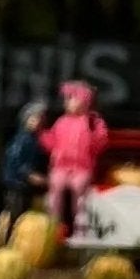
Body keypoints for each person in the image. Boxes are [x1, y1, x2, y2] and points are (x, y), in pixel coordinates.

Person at [45, 76, 112, 238]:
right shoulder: (61, 122)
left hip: (82, 167)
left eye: (71, 99)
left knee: (80, 196)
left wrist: (94, 134)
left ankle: (80, 229)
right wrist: (43, 135)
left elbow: (101, 141)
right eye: (67, 99)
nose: (67, 103)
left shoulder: (92, 121)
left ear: (84, 101)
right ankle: (53, 225)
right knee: (55, 191)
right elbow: (52, 141)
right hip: (61, 165)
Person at [0, 97, 52, 232]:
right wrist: (30, 175)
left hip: (25, 185)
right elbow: (17, 161)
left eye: (40, 119)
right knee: (16, 214)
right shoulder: (22, 140)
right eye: (33, 118)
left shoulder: (35, 139)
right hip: (17, 184)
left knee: (25, 214)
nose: (37, 122)